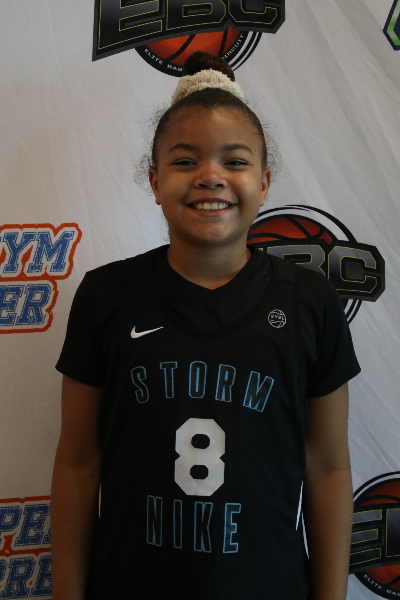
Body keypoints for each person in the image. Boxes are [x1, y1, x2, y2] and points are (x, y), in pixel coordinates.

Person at [51, 51, 360, 600]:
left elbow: (328, 468)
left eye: (235, 161)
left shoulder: (310, 303)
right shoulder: (106, 297)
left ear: (264, 181)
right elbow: (77, 463)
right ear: (154, 180)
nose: (211, 177)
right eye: (185, 160)